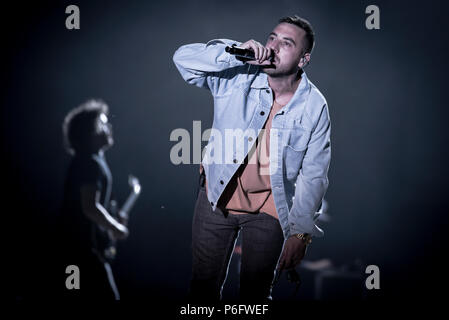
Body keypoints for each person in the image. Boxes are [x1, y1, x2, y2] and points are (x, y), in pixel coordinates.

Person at [173, 15, 331, 301]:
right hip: (216, 199)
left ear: (303, 59)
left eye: (286, 43)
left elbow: (314, 173)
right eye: (272, 38)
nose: (273, 46)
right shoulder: (238, 76)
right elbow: (183, 59)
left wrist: (301, 234)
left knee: (255, 297)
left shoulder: (314, 106)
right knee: (202, 291)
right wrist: (232, 52)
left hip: (269, 211)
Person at [61, 99, 129, 300]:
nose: (109, 127)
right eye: (102, 124)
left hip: (78, 250)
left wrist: (112, 221)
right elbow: (90, 207)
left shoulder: (91, 162)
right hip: (81, 251)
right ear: (88, 133)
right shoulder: (89, 163)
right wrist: (116, 227)